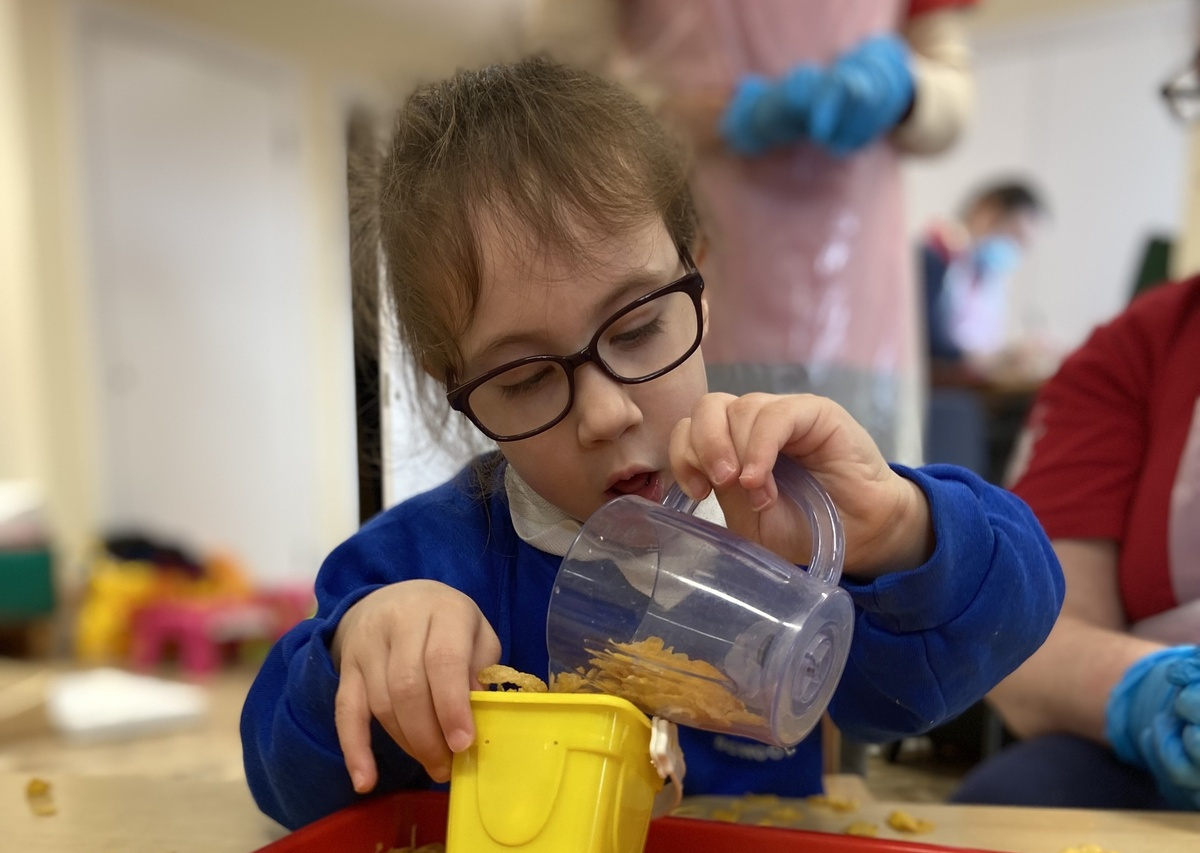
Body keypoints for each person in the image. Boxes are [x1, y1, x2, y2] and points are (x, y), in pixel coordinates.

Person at [239, 57, 1064, 831]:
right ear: (458, 386)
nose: (602, 414)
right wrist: (359, 659)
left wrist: (892, 531)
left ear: (698, 286)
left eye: (636, 330)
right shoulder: (422, 561)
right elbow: (285, 773)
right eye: (526, 378)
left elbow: (966, 655)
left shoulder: (777, 507)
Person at [606, 0, 979, 465]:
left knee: (861, 495)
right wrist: (688, 115)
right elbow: (565, 75)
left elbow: (952, 88)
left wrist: (908, 89)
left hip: (861, 299)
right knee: (692, 497)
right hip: (687, 268)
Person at [948, 275, 1200, 810]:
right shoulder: (1144, 346)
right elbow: (1031, 630)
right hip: (1166, 752)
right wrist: (1164, 694)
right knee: (1009, 803)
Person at [920, 180, 1046, 377]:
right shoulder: (933, 259)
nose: (1015, 249)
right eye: (1014, 235)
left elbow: (982, 346)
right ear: (986, 212)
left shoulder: (988, 278)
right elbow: (928, 342)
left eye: (1023, 245)